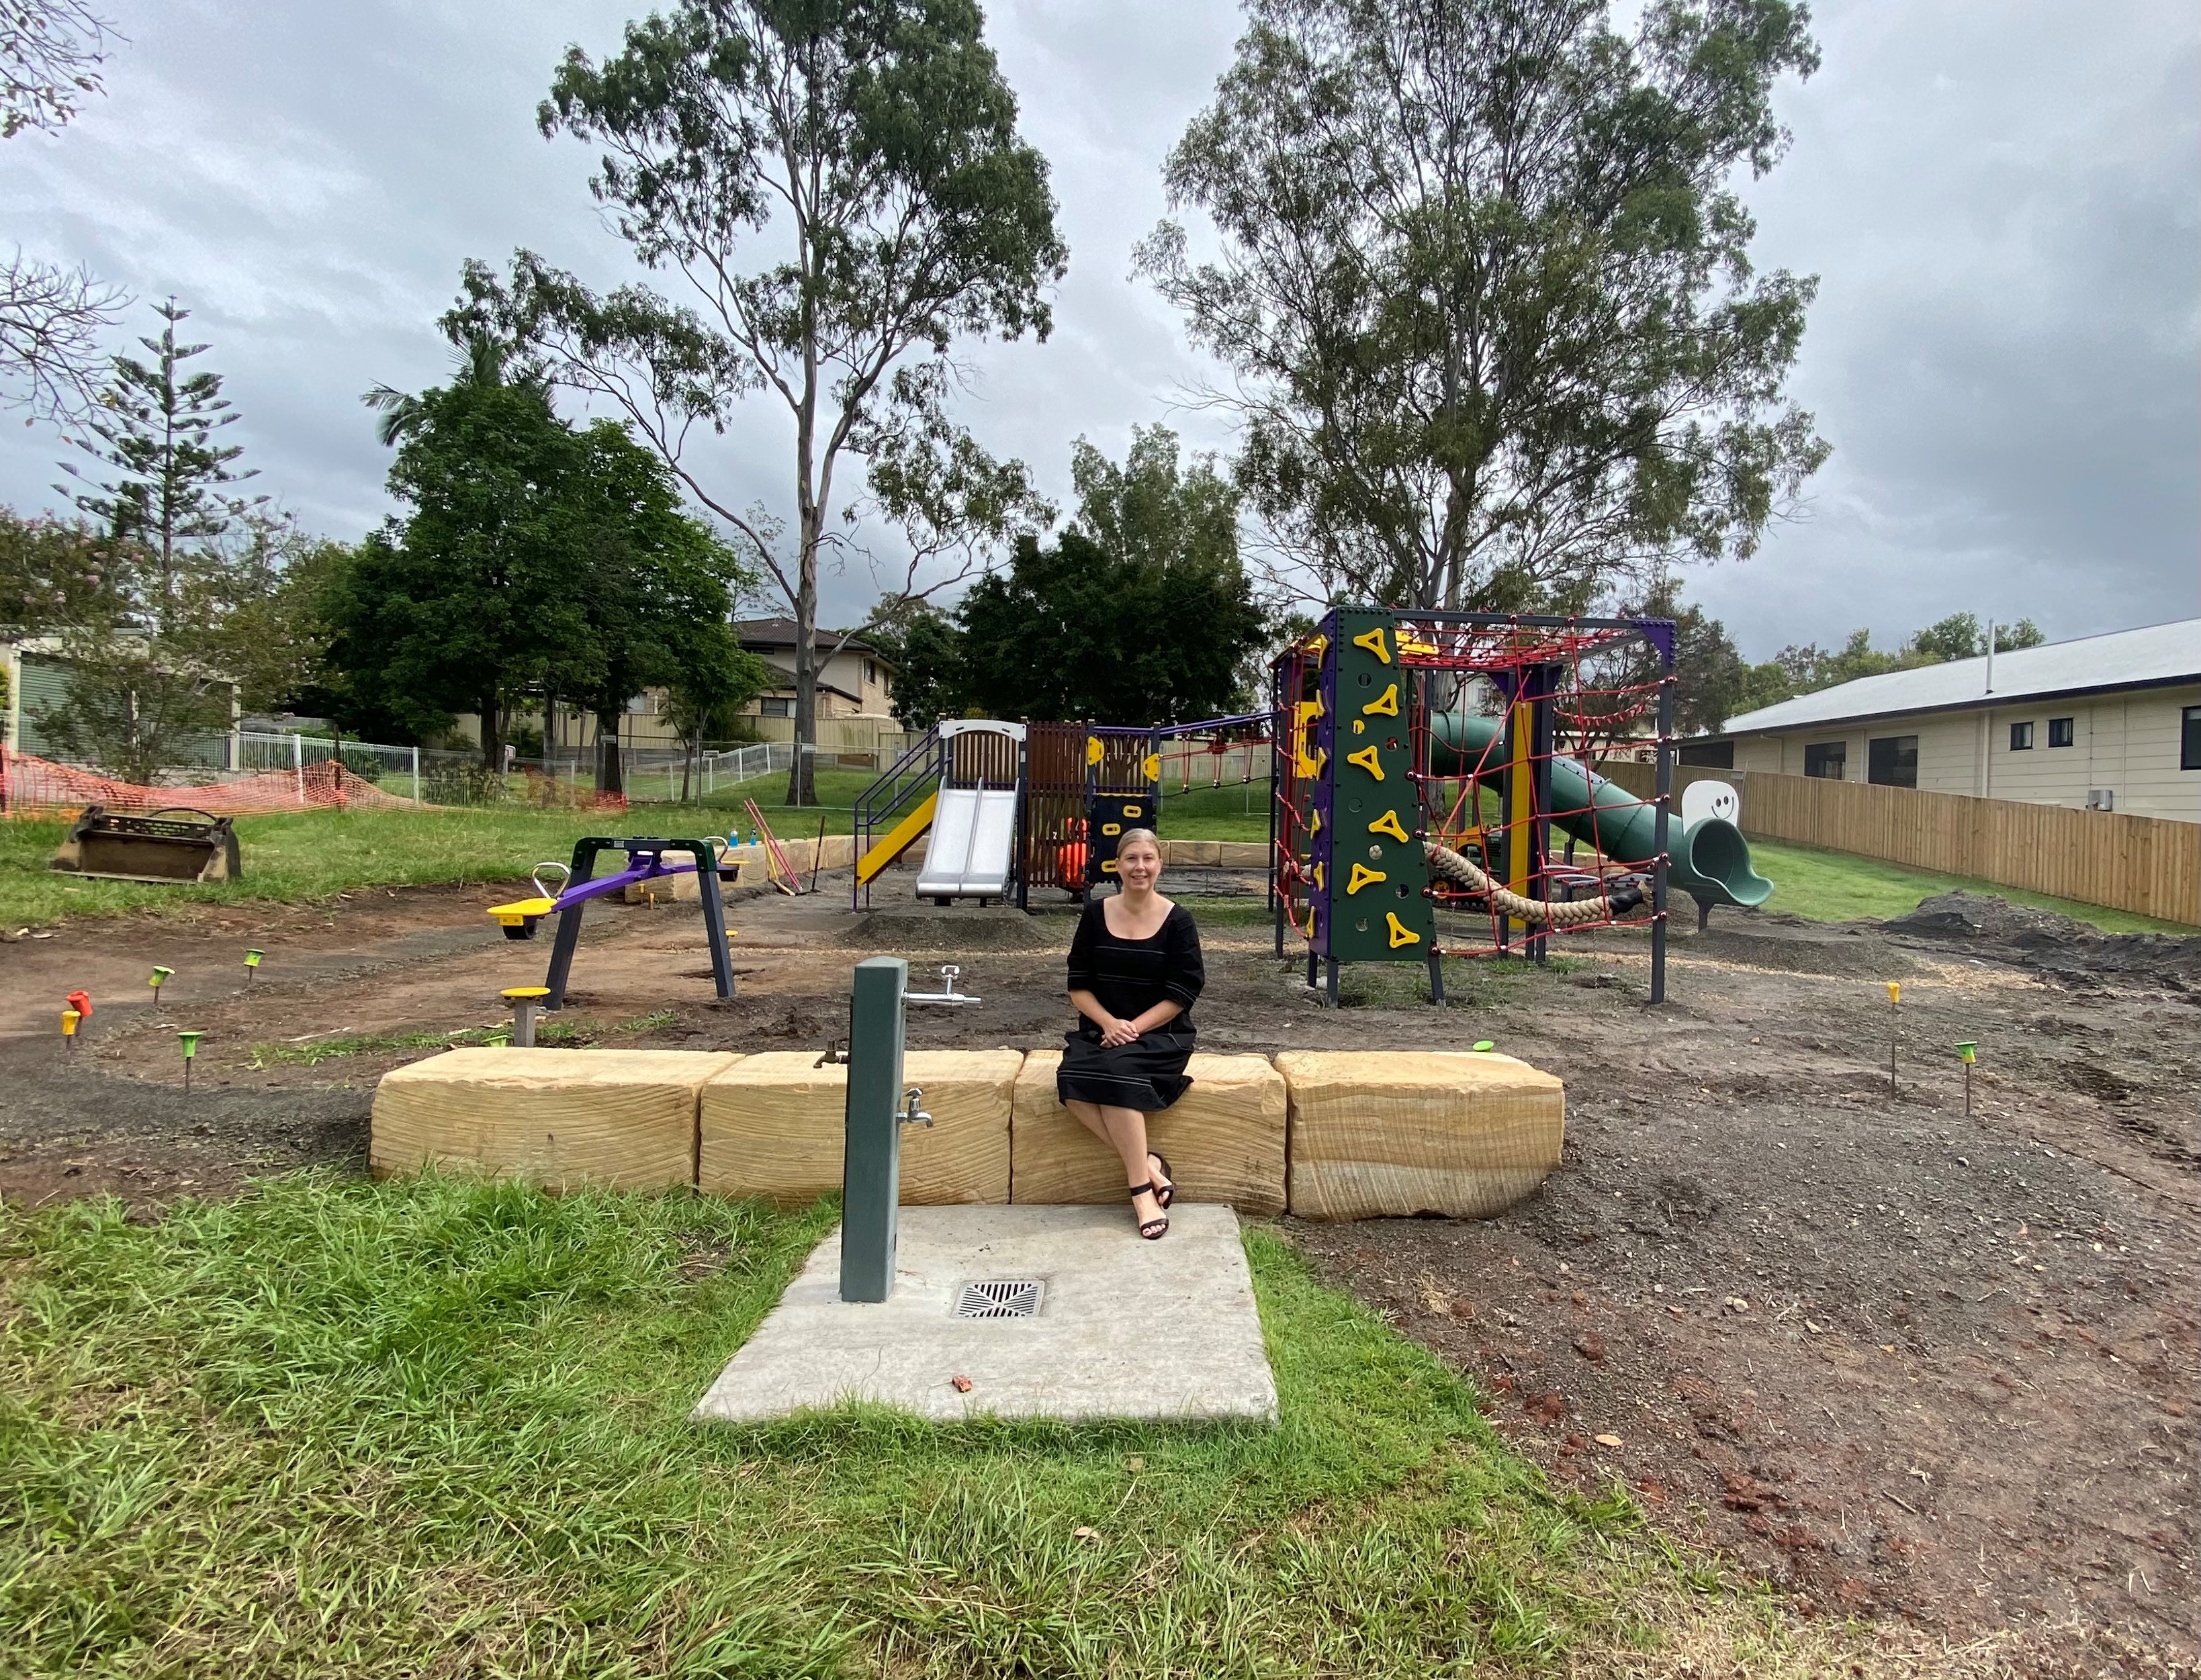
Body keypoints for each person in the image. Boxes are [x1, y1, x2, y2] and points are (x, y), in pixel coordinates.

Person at [1057, 829, 1204, 1240]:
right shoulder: (1094, 915)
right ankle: (1151, 1166)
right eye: (1131, 859)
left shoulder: (1178, 921)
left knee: (1116, 1078)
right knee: (1071, 1085)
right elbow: (1079, 984)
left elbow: (1183, 992)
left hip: (1161, 1035)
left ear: (1160, 864)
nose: (1140, 867)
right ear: (1117, 865)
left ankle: (1141, 1192)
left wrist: (1133, 1028)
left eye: (1148, 859)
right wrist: (1109, 1023)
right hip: (1102, 1031)